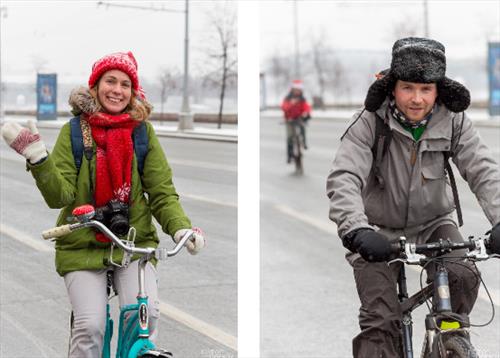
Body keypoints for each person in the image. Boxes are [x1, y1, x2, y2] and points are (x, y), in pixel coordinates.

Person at [1, 51, 205, 357]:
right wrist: (39, 159)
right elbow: (60, 197)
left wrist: (180, 229)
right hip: (82, 242)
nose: (117, 90)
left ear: (133, 92)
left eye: (125, 84)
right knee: (90, 326)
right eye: (110, 80)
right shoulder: (75, 132)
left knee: (144, 317)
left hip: (133, 244)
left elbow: (162, 192)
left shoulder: (141, 133)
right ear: (95, 86)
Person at [326, 37, 500, 357]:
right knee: (380, 324)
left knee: (462, 276)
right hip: (377, 231)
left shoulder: (453, 120)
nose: (416, 99)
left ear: (438, 90)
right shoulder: (369, 120)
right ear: (393, 86)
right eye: (407, 87)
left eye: (426, 89)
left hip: (434, 223)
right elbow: (344, 177)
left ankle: (449, 343)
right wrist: (356, 230)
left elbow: (484, 170)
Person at [281, 80, 312, 163]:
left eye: (299, 90)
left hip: (298, 119)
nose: (297, 92)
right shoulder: (287, 98)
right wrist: (291, 104)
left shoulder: (302, 99)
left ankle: (304, 143)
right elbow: (284, 107)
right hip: (289, 119)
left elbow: (307, 107)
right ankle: (290, 155)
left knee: (303, 128)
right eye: (295, 90)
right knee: (289, 136)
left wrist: (306, 112)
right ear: (292, 90)